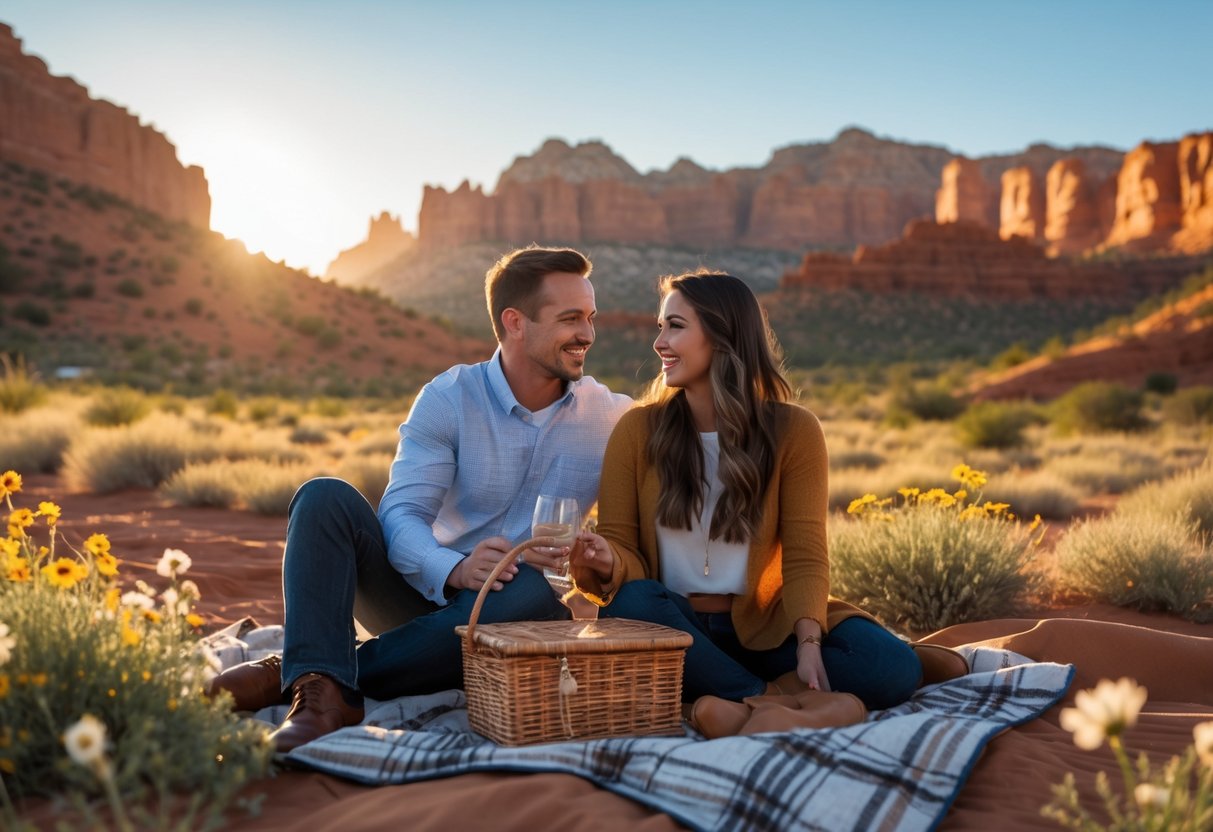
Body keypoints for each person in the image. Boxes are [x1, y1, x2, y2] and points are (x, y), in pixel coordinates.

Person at [208, 245, 632, 752]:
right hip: (419, 599)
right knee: (323, 497)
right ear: (515, 322)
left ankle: (312, 676)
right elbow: (401, 516)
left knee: (532, 591)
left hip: (512, 613)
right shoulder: (448, 398)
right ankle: (325, 681)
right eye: (570, 319)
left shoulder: (611, 416)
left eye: (590, 318)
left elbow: (684, 436)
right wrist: (454, 568)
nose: (587, 334)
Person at [571, 271, 935, 729]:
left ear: (724, 335)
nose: (659, 342)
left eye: (675, 326)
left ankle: (735, 699)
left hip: (767, 626)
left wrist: (808, 646)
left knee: (890, 667)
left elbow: (805, 553)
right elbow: (624, 550)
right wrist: (607, 561)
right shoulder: (637, 430)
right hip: (677, 627)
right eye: (660, 327)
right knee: (632, 604)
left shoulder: (793, 430)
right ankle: (769, 699)